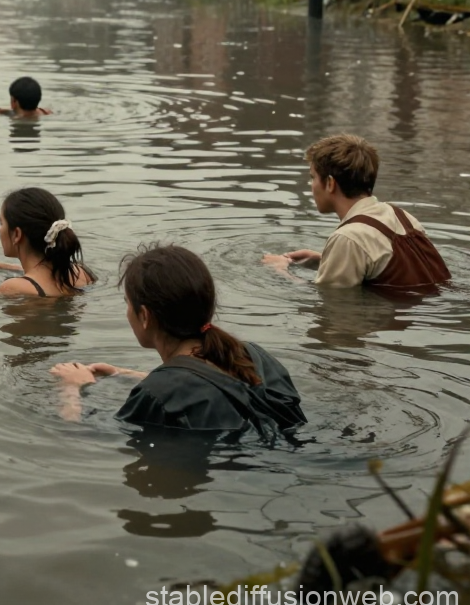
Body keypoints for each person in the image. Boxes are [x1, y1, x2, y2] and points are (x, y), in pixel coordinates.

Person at [51, 245, 305, 436]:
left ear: (145, 316)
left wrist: (72, 389)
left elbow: (76, 437)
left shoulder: (156, 394)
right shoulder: (250, 353)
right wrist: (122, 373)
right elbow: (220, 387)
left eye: (128, 304)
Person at [262, 134, 451, 290]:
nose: (311, 186)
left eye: (313, 177)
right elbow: (388, 270)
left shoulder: (348, 238)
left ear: (330, 183)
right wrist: (322, 260)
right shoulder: (401, 215)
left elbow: (328, 301)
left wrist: (280, 271)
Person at [0, 186, 95, 297]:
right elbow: (44, 271)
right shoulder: (81, 272)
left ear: (17, 234)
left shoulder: (14, 287)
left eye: (1, 223)